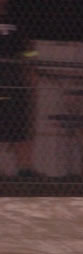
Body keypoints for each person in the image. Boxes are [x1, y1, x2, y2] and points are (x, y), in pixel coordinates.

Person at [0, 0, 38, 177]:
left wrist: (30, 69)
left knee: (20, 122)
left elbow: (28, 48)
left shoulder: (16, 19)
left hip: (14, 77)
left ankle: (25, 168)